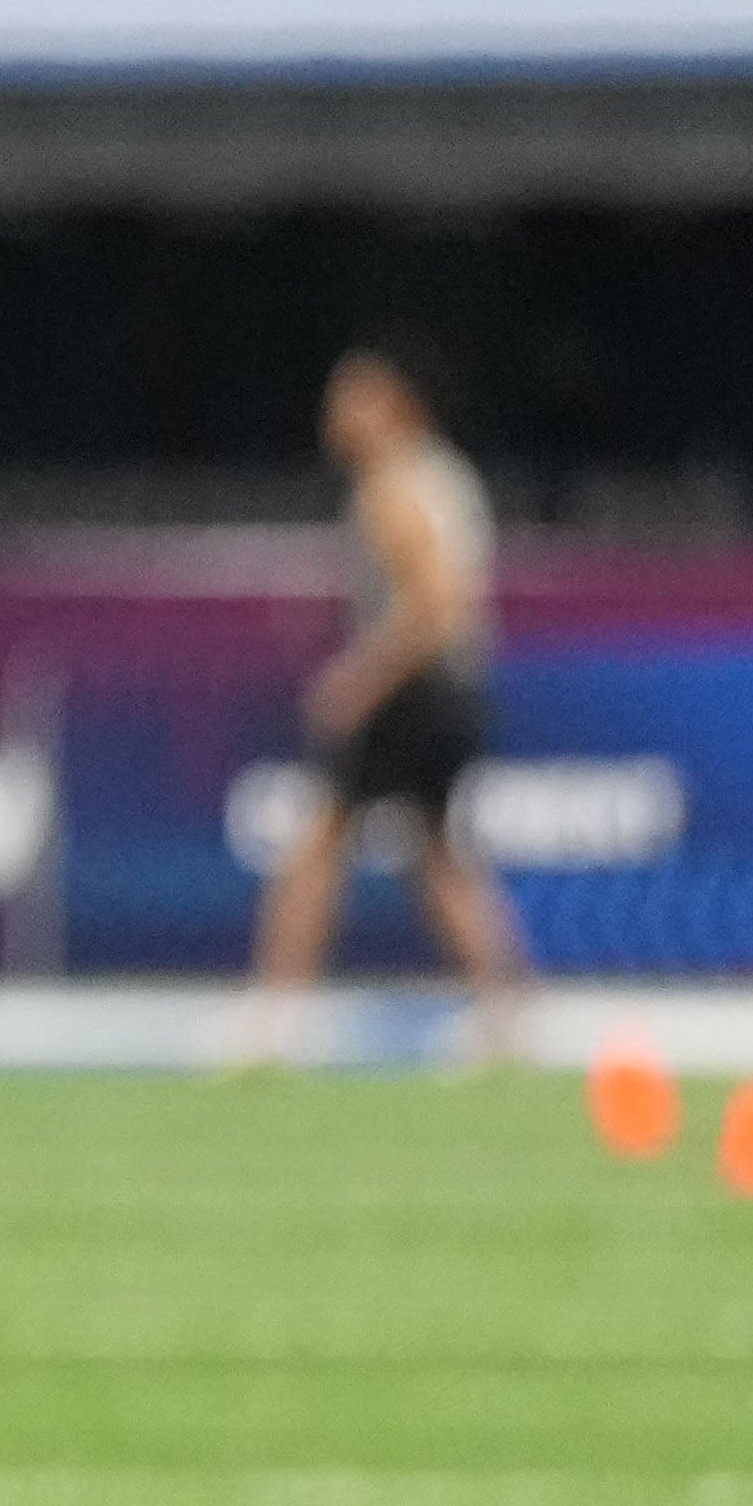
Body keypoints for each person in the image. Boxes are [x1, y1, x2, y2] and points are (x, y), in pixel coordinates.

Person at [247, 345, 530, 1057]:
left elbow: (433, 605)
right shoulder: (443, 475)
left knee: (318, 843)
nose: (335, 415)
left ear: (397, 406)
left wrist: (358, 680)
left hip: (414, 692)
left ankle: (274, 1019)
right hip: (452, 687)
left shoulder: (393, 486)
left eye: (354, 399)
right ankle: (506, 1013)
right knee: (437, 854)